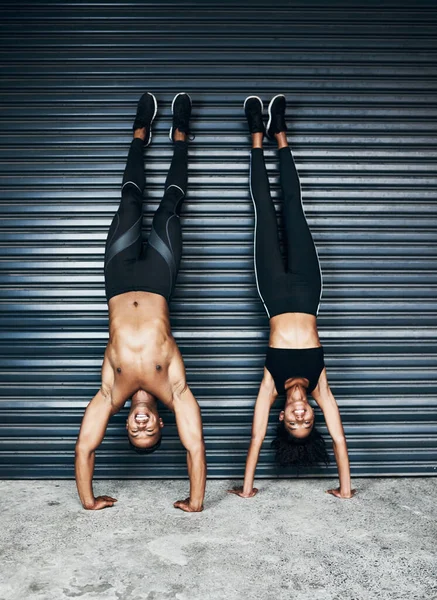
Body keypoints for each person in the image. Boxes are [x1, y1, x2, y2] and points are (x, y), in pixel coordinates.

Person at [75, 92, 206, 512]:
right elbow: (195, 446)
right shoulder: (174, 389)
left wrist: (89, 501)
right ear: (159, 423)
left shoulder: (111, 392)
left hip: (118, 279)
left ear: (127, 426)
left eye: (136, 433)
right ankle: (181, 137)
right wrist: (196, 501)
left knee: (129, 202)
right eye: (150, 432)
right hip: (158, 281)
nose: (143, 426)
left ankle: (140, 132)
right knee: (170, 208)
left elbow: (84, 449)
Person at [229, 95, 355, 500]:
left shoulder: (270, 384)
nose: (300, 416)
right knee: (295, 210)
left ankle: (254, 134)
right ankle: (279, 133)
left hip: (272, 289)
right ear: (311, 414)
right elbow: (338, 439)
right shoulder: (321, 387)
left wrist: (247, 489)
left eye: (291, 422)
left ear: (281, 416)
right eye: (306, 422)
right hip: (308, 288)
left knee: (265, 212)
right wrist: (346, 490)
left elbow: (253, 437)